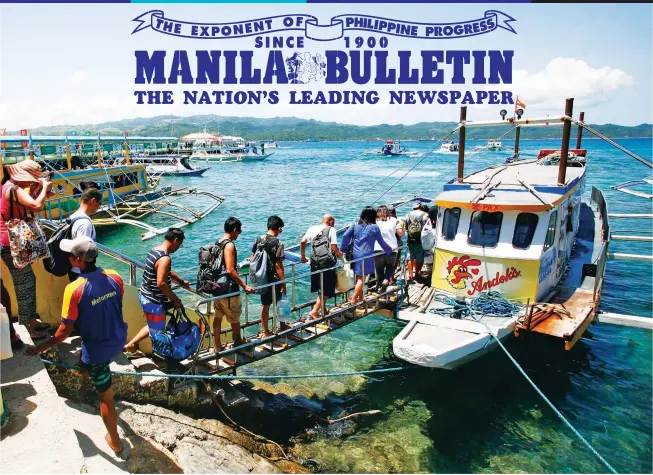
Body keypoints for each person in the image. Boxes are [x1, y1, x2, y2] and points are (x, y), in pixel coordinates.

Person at [25, 236, 130, 460]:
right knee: (86, 362)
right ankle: (86, 370)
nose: (67, 256)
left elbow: (63, 331)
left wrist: (41, 347)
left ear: (77, 260)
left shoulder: (74, 289)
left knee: (106, 399)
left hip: (98, 349)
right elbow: (114, 306)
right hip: (119, 338)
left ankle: (116, 442)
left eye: (70, 254)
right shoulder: (115, 276)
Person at [0, 160, 53, 340]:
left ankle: (29, 320)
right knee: (25, 284)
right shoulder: (14, 189)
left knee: (27, 280)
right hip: (11, 243)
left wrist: (40, 190)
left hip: (7, 241)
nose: (30, 183)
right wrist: (44, 189)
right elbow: (36, 206)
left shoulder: (5, 186)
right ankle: (27, 325)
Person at [124, 228, 190, 353]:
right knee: (158, 335)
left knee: (153, 326)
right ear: (175, 240)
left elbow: (165, 271)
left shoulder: (154, 250)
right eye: (179, 244)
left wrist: (181, 281)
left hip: (144, 296)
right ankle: (161, 362)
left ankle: (131, 345)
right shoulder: (165, 258)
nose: (178, 248)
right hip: (154, 302)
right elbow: (161, 283)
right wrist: (175, 299)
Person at [213, 217, 254, 353]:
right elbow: (230, 270)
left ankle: (217, 345)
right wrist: (244, 286)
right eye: (239, 231)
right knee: (235, 317)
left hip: (216, 286)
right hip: (228, 288)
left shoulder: (218, 242)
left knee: (218, 316)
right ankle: (238, 342)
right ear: (235, 230)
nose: (239, 234)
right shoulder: (229, 245)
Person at [339, 207, 392, 306]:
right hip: (367, 255)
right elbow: (381, 242)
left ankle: (361, 297)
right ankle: (354, 300)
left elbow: (345, 236)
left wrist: (342, 249)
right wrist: (389, 250)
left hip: (355, 254)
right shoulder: (374, 227)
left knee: (358, 276)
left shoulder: (355, 225)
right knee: (361, 278)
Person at [300, 214, 343, 320]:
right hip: (327, 263)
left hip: (314, 262)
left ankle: (323, 309)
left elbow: (302, 241)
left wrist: (303, 257)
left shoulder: (312, 228)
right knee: (328, 289)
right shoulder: (331, 229)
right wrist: (340, 255)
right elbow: (333, 247)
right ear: (331, 221)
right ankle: (314, 311)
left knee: (320, 286)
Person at [250, 216, 286, 338]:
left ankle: (265, 332)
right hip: (274, 278)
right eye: (281, 229)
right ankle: (283, 325)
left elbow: (252, 258)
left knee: (265, 305)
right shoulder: (278, 243)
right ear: (278, 228)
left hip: (262, 277)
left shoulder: (259, 239)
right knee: (281, 300)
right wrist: (283, 282)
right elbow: (278, 265)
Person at [68, 187, 102, 280]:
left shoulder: (73, 216)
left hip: (74, 270)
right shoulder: (85, 224)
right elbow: (83, 251)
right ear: (93, 201)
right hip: (81, 273)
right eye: (100, 203)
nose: (99, 206)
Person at [374, 205, 404, 291]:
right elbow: (400, 233)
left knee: (379, 270)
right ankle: (386, 280)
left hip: (377, 248)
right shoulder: (395, 220)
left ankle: (379, 288)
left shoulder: (375, 221)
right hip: (392, 248)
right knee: (390, 267)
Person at [404, 203, 429, 282]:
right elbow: (428, 227)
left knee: (410, 257)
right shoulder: (425, 215)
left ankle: (410, 275)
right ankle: (417, 274)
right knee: (420, 257)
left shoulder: (408, 214)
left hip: (410, 239)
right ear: (420, 206)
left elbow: (406, 227)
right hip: (421, 239)